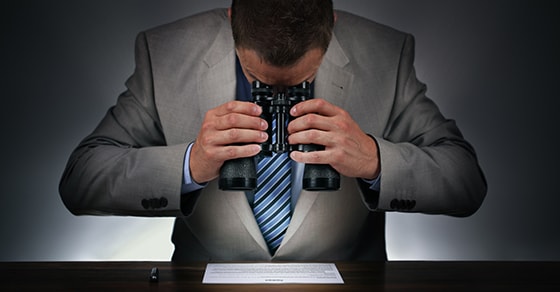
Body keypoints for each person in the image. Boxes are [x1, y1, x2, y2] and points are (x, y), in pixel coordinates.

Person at [59, 0, 486, 262]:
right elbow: (81, 181)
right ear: (231, 21)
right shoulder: (166, 53)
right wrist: (190, 163)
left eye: (304, 76)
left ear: (332, 24)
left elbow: (466, 182)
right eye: (255, 74)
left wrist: (374, 159)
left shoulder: (386, 54)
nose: (279, 96)